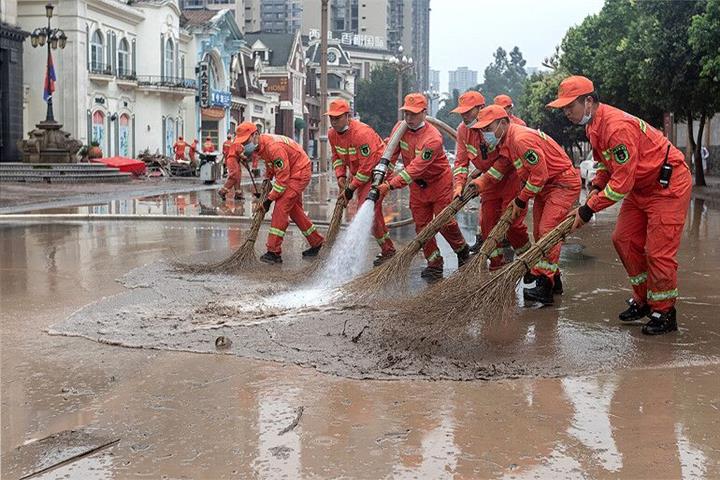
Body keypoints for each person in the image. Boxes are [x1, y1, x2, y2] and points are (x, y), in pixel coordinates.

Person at [549, 75, 692, 334]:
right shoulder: (593, 126)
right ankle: (644, 300)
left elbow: (621, 184)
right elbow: (605, 165)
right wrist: (594, 189)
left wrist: (588, 209)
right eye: (564, 108)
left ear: (589, 101)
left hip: (667, 185)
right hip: (641, 185)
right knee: (623, 239)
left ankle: (665, 312)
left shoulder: (616, 127)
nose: (566, 112)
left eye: (570, 106)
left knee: (659, 252)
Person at [470, 104, 581, 305]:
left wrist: (521, 199)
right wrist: (480, 182)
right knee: (540, 235)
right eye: (483, 130)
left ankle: (544, 285)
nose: (485, 134)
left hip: (561, 183)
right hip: (547, 186)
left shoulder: (520, 140)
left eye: (488, 128)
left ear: (503, 123)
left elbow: (540, 175)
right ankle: (555, 281)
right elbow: (502, 169)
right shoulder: (507, 141)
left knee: (547, 231)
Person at [376, 93, 470, 282]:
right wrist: (381, 178)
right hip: (418, 187)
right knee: (421, 226)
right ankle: (434, 263)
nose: (408, 118)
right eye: (406, 114)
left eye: (413, 114)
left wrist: (389, 186)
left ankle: (462, 251)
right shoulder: (399, 129)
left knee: (445, 222)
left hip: (439, 183)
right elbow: (391, 155)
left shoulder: (433, 138)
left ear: (424, 113)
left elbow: (414, 169)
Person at [451, 91, 530, 268]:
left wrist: (483, 180)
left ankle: (528, 262)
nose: (464, 116)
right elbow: (461, 162)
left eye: (468, 112)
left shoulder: (496, 127)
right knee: (487, 227)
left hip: (510, 181)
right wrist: (458, 185)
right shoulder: (462, 131)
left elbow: (506, 159)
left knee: (512, 226)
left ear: (481, 108)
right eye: (461, 112)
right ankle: (496, 266)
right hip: (488, 186)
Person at [231, 122, 324, 264]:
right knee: (294, 211)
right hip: (292, 170)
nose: (244, 145)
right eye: (242, 143)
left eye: (246, 141)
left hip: (299, 172)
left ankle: (273, 252)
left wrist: (269, 200)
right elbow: (271, 165)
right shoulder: (262, 146)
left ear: (255, 135)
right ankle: (317, 242)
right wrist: (267, 178)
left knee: (280, 208)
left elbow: (282, 180)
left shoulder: (273, 147)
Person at [326, 99, 396, 265]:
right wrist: (341, 177)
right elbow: (337, 158)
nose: (334, 122)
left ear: (347, 116)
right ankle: (388, 249)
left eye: (337, 118)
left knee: (365, 209)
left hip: (377, 172)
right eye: (331, 118)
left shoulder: (362, 134)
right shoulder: (331, 134)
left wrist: (350, 188)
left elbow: (367, 167)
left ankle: (387, 250)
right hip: (359, 171)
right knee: (372, 213)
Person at [218, 133, 244, 201]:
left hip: (233, 159)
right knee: (234, 174)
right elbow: (240, 153)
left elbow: (224, 151)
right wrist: (244, 157)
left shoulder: (227, 142)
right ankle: (222, 191)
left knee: (238, 176)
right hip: (232, 158)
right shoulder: (238, 141)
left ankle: (238, 193)